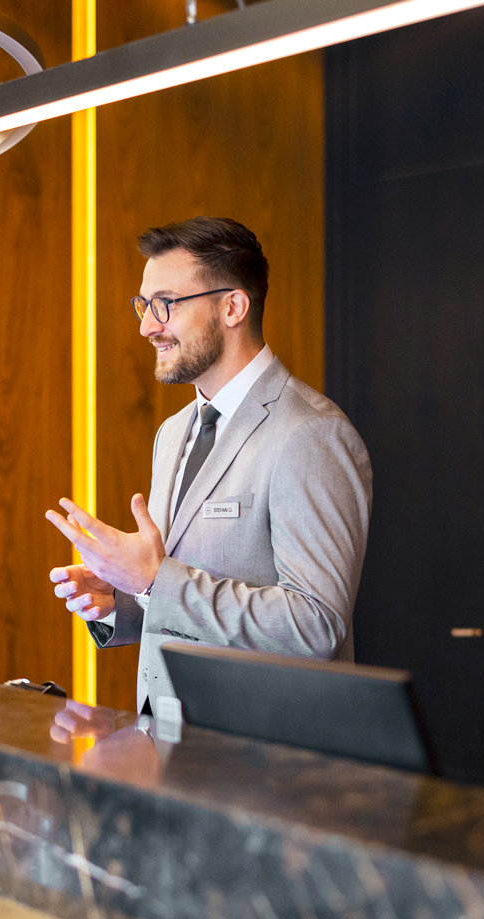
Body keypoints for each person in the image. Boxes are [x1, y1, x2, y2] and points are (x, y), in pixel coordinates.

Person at [46, 216, 372, 714]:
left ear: (233, 307)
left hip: (267, 760)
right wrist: (125, 599)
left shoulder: (310, 434)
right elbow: (184, 591)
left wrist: (155, 580)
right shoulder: (175, 431)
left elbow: (316, 625)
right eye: (143, 305)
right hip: (172, 740)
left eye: (165, 305)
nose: (146, 326)